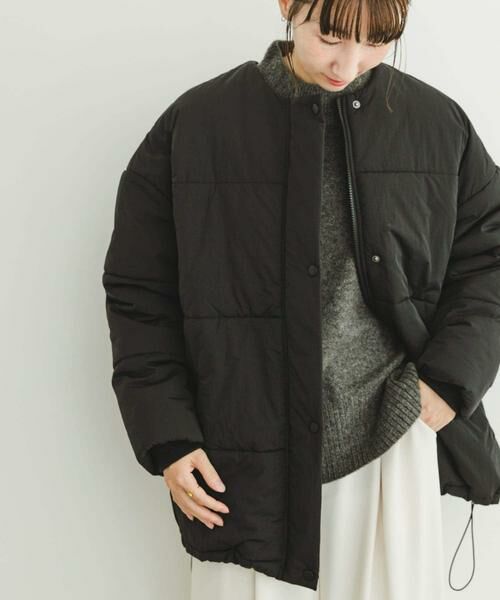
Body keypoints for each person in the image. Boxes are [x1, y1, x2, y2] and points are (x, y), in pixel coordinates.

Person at [102, 1, 500, 598]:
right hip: (242, 456)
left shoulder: (436, 124)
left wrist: (449, 380)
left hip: (391, 444)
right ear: (288, 5)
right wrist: (169, 436)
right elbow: (140, 290)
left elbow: (489, 257)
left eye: (376, 42)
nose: (349, 63)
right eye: (331, 36)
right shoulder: (199, 124)